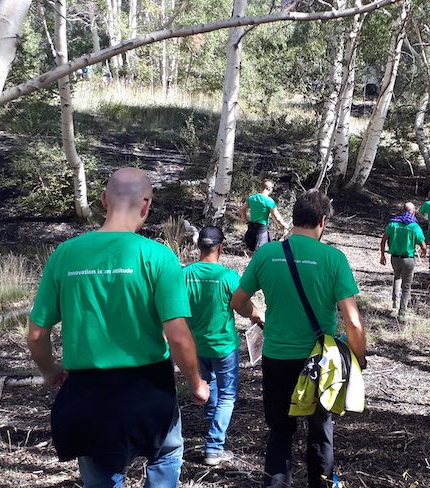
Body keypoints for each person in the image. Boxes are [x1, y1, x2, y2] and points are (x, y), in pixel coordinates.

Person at [26, 167, 209, 487]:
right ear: (147, 204)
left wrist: (50, 370)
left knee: (101, 472)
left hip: (88, 394)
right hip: (149, 390)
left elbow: (37, 333)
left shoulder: (66, 254)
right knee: (166, 453)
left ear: (103, 201)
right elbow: (178, 336)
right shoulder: (159, 256)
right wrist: (196, 382)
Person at [230, 190, 367, 488]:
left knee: (280, 431)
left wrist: (256, 315)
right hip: (321, 362)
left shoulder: (266, 254)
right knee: (320, 429)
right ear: (322, 220)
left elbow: (238, 300)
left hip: (277, 357)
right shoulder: (333, 258)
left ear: (294, 219)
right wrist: (357, 359)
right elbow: (353, 322)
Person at [184, 226, 264, 466]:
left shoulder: (185, 274)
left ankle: (212, 427)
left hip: (197, 345)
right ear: (221, 247)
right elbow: (242, 306)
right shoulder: (228, 277)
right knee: (227, 395)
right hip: (223, 346)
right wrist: (257, 315)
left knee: (209, 387)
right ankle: (214, 447)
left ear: (199, 247)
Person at [380, 203, 427, 322]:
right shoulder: (414, 226)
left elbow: (384, 239)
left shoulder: (393, 224)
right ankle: (402, 312)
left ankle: (395, 301)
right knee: (406, 286)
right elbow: (423, 244)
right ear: (413, 212)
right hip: (408, 259)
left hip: (395, 258)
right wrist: (423, 251)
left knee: (397, 277)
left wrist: (382, 255)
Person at [240, 180, 290, 252]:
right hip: (261, 228)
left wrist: (245, 220)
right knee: (262, 251)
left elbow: (242, 209)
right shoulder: (269, 201)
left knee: (255, 250)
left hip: (251, 227)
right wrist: (284, 224)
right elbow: (277, 217)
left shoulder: (252, 198)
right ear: (269, 189)